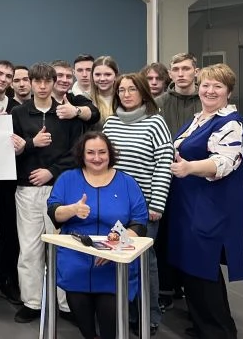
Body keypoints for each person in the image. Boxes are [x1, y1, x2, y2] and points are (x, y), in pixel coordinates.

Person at [167, 63, 243, 339]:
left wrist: (189, 167)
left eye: (218, 86)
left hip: (212, 205)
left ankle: (219, 331)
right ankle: (203, 325)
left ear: (229, 91)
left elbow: (224, 162)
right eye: (205, 85)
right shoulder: (199, 119)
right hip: (189, 204)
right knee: (191, 266)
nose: (210, 91)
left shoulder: (232, 124)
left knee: (204, 265)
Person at [48, 133, 148, 339]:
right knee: (82, 316)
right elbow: (54, 212)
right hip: (76, 260)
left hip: (114, 263)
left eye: (102, 152)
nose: (96, 158)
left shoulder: (127, 182)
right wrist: (73, 209)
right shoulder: (67, 179)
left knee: (110, 317)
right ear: (82, 155)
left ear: (110, 154)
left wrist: (115, 245)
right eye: (90, 153)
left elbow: (139, 223)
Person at [11, 62, 84, 323]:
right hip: (27, 189)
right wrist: (32, 144)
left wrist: (51, 171)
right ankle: (32, 302)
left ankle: (65, 304)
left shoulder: (66, 114)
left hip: (61, 189)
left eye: (47, 81)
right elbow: (12, 150)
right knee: (29, 248)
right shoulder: (18, 113)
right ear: (30, 83)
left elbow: (76, 153)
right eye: (37, 81)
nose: (42, 86)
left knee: (62, 247)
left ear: (54, 83)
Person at [101, 73, 174, 334]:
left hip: (143, 207)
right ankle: (125, 313)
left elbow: (164, 165)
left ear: (143, 92)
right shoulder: (111, 123)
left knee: (143, 261)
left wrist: (157, 204)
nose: (126, 94)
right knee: (116, 258)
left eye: (132, 89)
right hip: (112, 205)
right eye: (121, 90)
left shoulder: (155, 122)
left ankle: (149, 315)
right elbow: (102, 163)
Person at [154, 53, 201, 307]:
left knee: (193, 235)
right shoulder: (158, 103)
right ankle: (166, 289)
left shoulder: (206, 101)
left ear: (196, 71)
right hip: (167, 179)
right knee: (165, 234)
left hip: (198, 180)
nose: (181, 73)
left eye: (186, 68)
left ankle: (192, 290)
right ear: (170, 74)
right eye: (176, 69)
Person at [90, 56, 120, 127]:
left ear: (116, 76)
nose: (102, 79)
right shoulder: (85, 98)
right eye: (98, 75)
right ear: (92, 76)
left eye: (108, 74)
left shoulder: (124, 98)